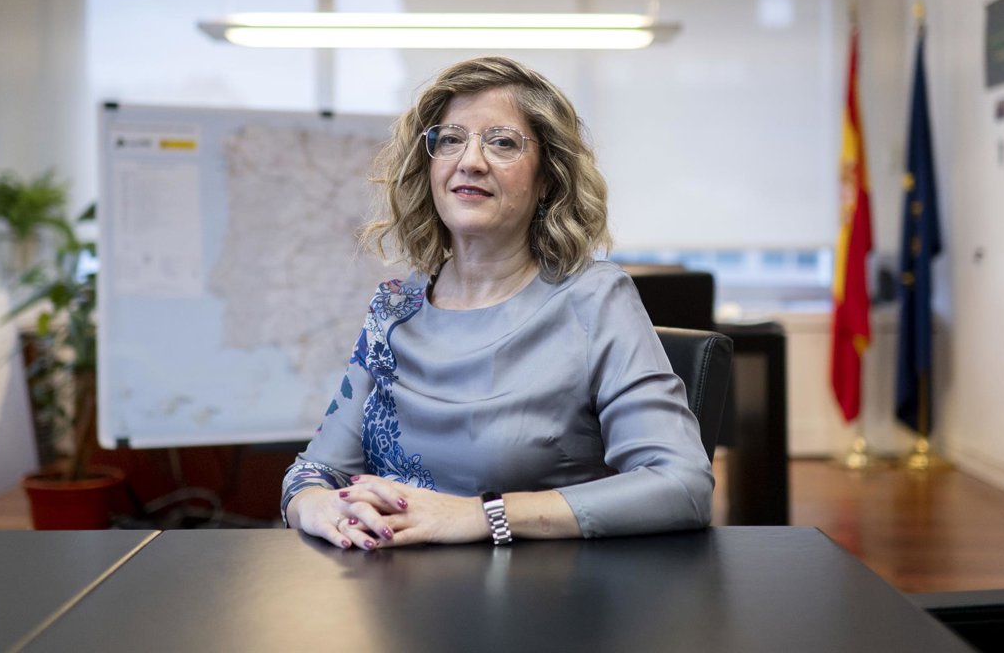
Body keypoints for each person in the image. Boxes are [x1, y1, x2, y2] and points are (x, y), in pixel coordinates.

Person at [281, 56, 712, 549]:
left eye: (502, 142)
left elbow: (682, 485)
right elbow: (316, 470)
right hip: (391, 586)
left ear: (547, 178)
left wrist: (480, 515)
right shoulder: (394, 309)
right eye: (450, 140)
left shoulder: (595, 300)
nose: (470, 161)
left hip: (534, 587)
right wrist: (318, 505)